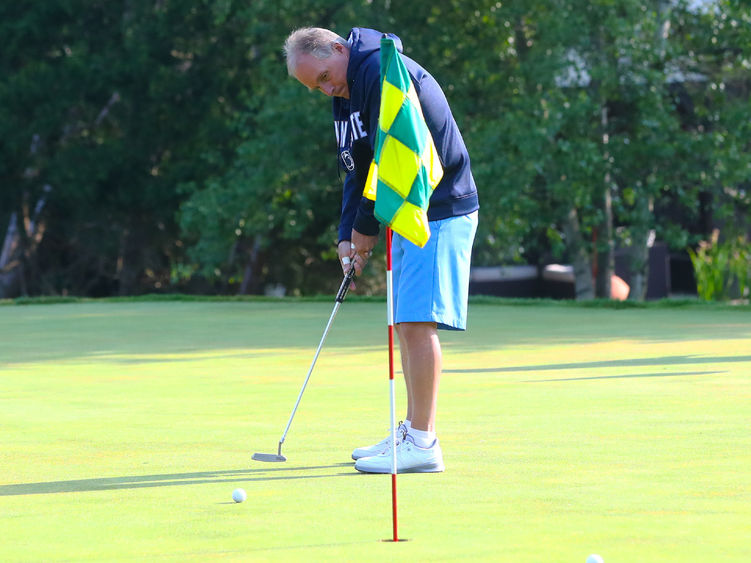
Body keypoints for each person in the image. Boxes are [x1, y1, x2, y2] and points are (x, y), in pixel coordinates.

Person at [283, 27, 479, 473]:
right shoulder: (347, 89)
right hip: (411, 211)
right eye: (317, 87)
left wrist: (367, 227)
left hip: (438, 208)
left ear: (338, 49)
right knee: (405, 323)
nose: (327, 88)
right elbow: (356, 166)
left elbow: (391, 156)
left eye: (326, 77)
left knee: (416, 322)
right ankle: (412, 429)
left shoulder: (377, 72)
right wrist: (346, 234)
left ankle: (424, 443)